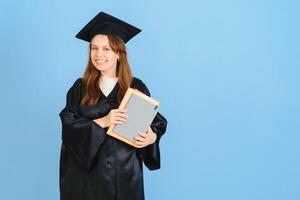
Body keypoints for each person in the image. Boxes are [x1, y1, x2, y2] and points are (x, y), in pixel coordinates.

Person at [59, 12, 167, 200]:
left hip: (125, 174)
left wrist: (151, 137)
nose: (99, 54)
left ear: (118, 53)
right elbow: (68, 126)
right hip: (87, 178)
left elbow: (155, 123)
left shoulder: (135, 87)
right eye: (94, 48)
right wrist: (104, 121)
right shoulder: (80, 87)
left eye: (106, 49)